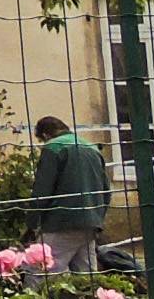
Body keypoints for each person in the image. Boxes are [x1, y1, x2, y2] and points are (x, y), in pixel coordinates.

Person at [27, 114, 113, 272]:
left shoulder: (53, 147)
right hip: (90, 222)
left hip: (61, 221)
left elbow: (42, 191)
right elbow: (106, 190)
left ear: (46, 135)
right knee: (86, 277)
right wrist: (97, 218)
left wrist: (31, 224)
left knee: (40, 273)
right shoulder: (91, 148)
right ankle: (92, 297)